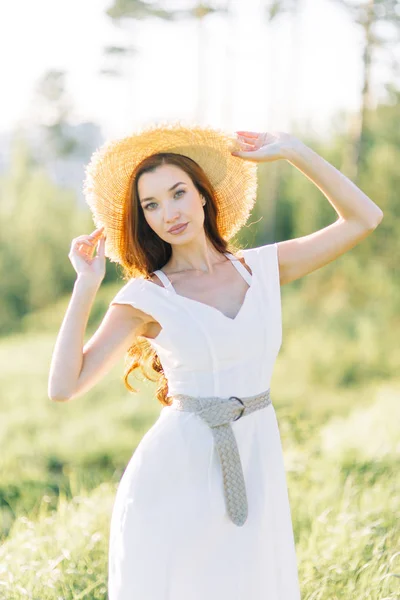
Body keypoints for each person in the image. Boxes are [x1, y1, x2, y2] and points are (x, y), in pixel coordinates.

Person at [48, 122, 383, 599]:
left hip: (256, 459)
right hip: (173, 477)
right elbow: (64, 386)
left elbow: (364, 218)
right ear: (144, 219)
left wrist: (294, 152)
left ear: (203, 196)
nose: (169, 212)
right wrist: (86, 284)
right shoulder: (145, 297)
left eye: (178, 193)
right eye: (152, 205)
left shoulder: (262, 269)